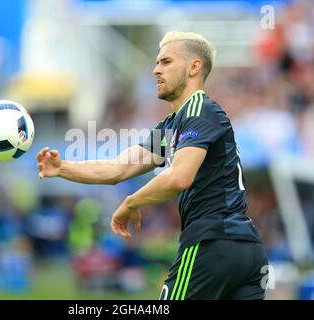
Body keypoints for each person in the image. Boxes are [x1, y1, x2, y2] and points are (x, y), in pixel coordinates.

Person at [36, 32, 269, 300]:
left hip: (212, 243)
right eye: (157, 63)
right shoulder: (172, 125)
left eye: (166, 62)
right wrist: (62, 168)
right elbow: (117, 169)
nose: (156, 70)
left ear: (194, 67)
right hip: (246, 249)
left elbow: (179, 177)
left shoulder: (199, 110)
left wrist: (132, 202)